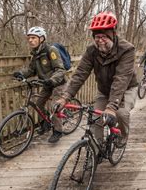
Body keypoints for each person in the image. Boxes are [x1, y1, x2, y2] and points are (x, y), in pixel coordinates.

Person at [54, 11, 137, 147]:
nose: (100, 40)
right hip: (104, 90)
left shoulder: (127, 49)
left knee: (121, 114)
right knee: (95, 119)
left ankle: (123, 135)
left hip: (126, 89)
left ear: (112, 34)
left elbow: (121, 79)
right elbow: (80, 74)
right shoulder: (92, 50)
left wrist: (111, 107)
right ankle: (97, 149)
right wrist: (65, 97)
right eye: (97, 37)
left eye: (104, 36)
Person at [13, 26, 66, 143]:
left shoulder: (51, 50)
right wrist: (21, 74)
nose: (30, 40)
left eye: (33, 38)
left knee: (54, 106)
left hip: (57, 83)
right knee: (38, 104)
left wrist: (52, 80)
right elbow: (31, 70)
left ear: (41, 39)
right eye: (29, 38)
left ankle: (58, 131)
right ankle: (45, 123)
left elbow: (60, 70)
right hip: (47, 84)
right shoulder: (35, 54)